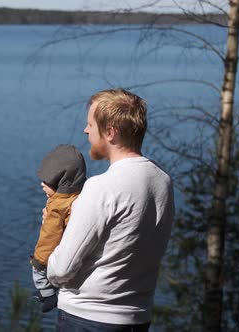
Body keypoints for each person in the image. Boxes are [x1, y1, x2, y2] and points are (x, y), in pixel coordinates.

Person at [47, 89, 175, 331]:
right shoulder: (162, 180)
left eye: (90, 124)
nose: (86, 131)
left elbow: (60, 269)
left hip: (88, 319)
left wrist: (55, 235)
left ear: (110, 132)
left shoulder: (101, 188)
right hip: (137, 318)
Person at [30, 144, 86, 313]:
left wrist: (39, 261)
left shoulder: (57, 206)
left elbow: (49, 236)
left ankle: (47, 295)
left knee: (38, 272)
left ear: (61, 182)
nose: (41, 184)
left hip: (53, 255)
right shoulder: (80, 196)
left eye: (46, 181)